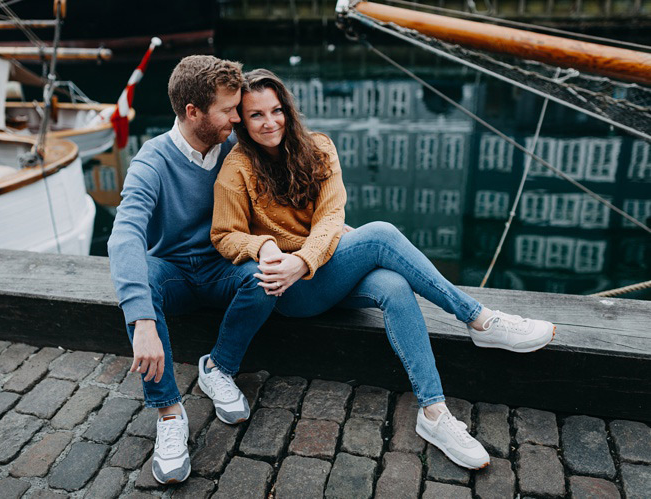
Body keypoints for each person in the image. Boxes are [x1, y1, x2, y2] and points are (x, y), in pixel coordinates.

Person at [210, 68, 556, 470]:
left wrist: (304, 259)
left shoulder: (318, 148)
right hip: (292, 292)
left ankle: (434, 413)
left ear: (287, 109)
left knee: (393, 286)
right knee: (380, 234)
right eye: (256, 115)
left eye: (276, 110)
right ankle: (480, 319)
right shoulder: (237, 169)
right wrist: (264, 246)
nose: (270, 122)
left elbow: (330, 218)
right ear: (243, 122)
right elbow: (225, 235)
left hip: (323, 269)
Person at [108, 55, 281, 485]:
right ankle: (169, 412)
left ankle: (217, 367)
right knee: (145, 275)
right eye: (228, 110)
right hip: (174, 274)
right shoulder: (152, 161)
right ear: (192, 112)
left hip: (225, 268)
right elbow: (124, 236)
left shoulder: (237, 152)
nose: (237, 118)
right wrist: (143, 320)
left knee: (269, 276)